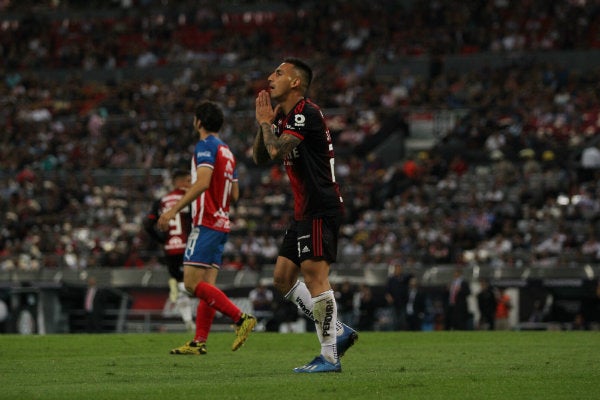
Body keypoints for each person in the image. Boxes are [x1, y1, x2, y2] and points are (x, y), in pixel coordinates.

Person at [253, 57, 357, 373]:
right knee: (282, 279)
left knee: (314, 277)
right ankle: (337, 330)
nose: (271, 77)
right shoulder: (285, 117)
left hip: (320, 207)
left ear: (296, 82)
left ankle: (329, 356)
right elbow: (260, 157)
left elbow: (277, 151)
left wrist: (266, 125)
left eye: (279, 73)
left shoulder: (305, 113)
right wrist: (265, 123)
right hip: (303, 211)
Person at [158, 100, 256, 355]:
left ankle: (241, 318)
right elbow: (234, 194)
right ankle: (199, 341)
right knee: (207, 287)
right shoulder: (227, 151)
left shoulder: (205, 146)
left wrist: (173, 209)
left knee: (191, 284)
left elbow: (202, 183)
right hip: (222, 222)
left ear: (198, 122)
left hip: (206, 221)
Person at [144, 169, 195, 331]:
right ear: (180, 182)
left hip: (171, 250)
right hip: (190, 246)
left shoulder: (161, 201)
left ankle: (188, 320)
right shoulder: (192, 197)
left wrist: (162, 240)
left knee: (180, 283)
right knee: (200, 283)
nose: (190, 183)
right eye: (188, 180)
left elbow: (147, 224)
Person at [385, 263, 410, 330]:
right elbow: (387, 291)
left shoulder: (404, 279)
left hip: (402, 302)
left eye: (400, 269)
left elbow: (411, 276)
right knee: (394, 320)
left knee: (402, 320)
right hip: (394, 303)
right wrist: (389, 297)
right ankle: (394, 333)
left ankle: (402, 333)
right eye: (397, 269)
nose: (398, 270)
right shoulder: (391, 279)